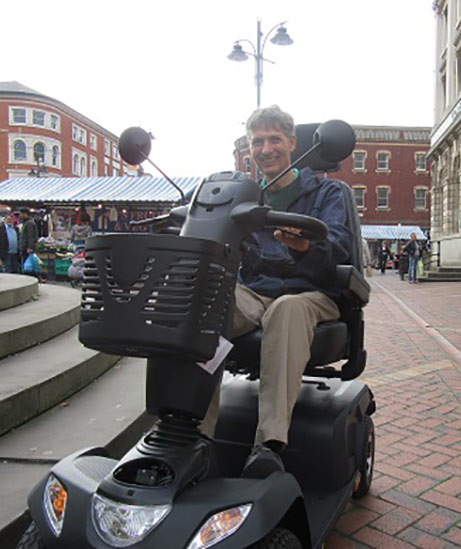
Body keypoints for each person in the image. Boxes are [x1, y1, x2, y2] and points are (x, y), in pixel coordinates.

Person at [200, 105, 354, 478]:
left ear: (292, 143)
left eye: (274, 139)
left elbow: (339, 249)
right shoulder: (246, 198)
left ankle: (268, 445)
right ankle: (193, 434)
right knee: (203, 296)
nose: (266, 149)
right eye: (258, 141)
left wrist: (305, 248)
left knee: (286, 307)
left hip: (311, 293)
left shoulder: (328, 192)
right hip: (256, 292)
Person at [18, 208, 39, 276]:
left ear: (25, 214)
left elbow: (31, 236)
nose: (20, 215)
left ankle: (30, 277)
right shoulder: (26, 222)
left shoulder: (29, 223)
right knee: (28, 264)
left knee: (28, 265)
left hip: (26, 248)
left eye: (21, 213)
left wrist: (30, 247)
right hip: (25, 247)